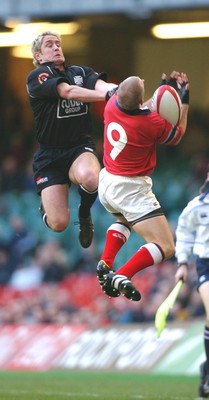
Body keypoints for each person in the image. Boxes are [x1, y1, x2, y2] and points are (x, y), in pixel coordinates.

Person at [96, 71, 190, 301]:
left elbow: (138, 106)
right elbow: (177, 135)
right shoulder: (150, 122)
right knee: (166, 246)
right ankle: (123, 275)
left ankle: (106, 262)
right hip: (131, 188)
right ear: (140, 101)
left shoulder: (111, 105)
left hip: (107, 181)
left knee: (124, 219)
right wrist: (183, 102)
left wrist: (159, 93)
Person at [26, 31, 117, 249]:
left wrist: (116, 90)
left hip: (79, 148)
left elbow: (101, 86)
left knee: (91, 177)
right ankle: (47, 208)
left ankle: (85, 216)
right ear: (39, 55)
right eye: (50, 45)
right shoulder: (38, 76)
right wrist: (109, 96)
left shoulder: (79, 71)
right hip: (50, 155)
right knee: (58, 223)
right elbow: (68, 92)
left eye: (58, 44)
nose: (57, 47)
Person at [175, 170, 209, 398]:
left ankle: (206, 368)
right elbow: (184, 233)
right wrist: (182, 263)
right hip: (206, 263)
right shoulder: (196, 206)